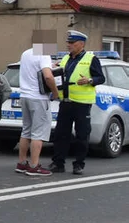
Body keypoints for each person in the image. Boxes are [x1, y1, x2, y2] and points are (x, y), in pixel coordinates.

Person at [50, 30, 105, 175]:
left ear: (81, 44)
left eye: (72, 43)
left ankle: (78, 164)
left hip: (82, 103)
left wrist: (90, 80)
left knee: (82, 135)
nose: (68, 45)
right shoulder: (65, 59)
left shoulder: (91, 58)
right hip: (66, 102)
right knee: (61, 134)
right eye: (68, 42)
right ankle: (58, 163)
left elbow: (101, 78)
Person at [15, 44, 57, 177]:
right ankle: (34, 166)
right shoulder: (43, 55)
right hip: (38, 98)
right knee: (38, 133)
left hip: (25, 96)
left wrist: (51, 66)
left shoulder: (26, 53)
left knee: (26, 130)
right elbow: (48, 77)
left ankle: (22, 163)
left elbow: (33, 70)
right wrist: (55, 92)